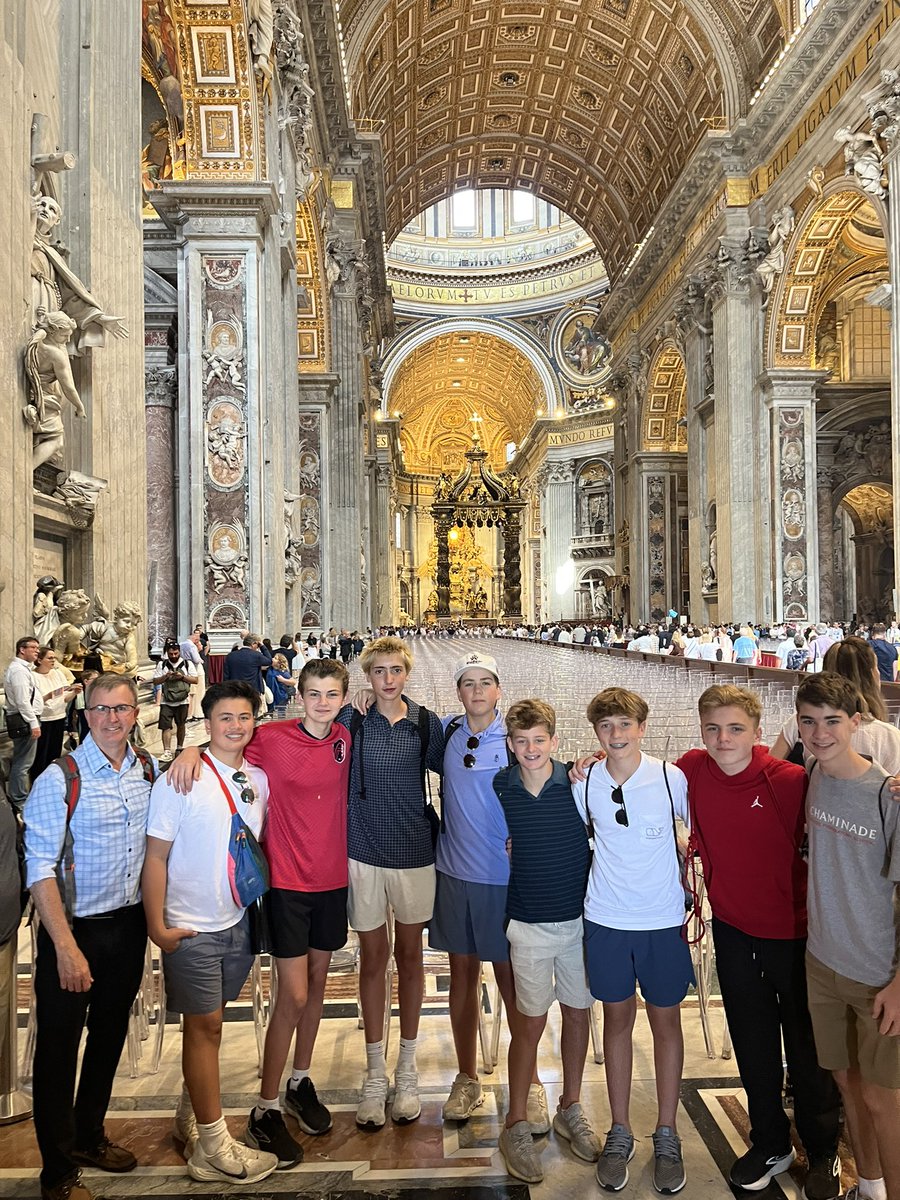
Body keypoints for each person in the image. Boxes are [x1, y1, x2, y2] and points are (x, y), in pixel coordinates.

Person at [168, 659, 353, 1160]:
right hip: (288, 884)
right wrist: (189, 748)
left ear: (343, 699)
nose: (321, 703)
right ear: (300, 693)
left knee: (316, 986)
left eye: (331, 694)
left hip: (332, 880)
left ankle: (300, 1080)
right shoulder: (271, 737)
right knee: (291, 994)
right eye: (313, 693)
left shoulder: (345, 739)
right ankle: (264, 1108)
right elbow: (225, 744)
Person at [676, 685, 842, 1197]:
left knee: (807, 1047)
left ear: (757, 729)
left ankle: (824, 1150)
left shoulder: (790, 780)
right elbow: (638, 775)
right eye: (712, 729)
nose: (723, 739)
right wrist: (585, 762)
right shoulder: (690, 769)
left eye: (735, 729)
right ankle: (770, 1140)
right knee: (753, 1043)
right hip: (731, 929)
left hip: (794, 934)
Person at [141, 681, 279, 1185]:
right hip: (189, 924)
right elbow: (155, 857)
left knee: (211, 1028)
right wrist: (157, 924)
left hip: (238, 921)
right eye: (225, 718)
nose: (236, 727)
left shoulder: (257, 779)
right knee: (206, 1029)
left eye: (244, 718)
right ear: (208, 721)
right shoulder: (180, 778)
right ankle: (214, 1148)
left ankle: (191, 1111)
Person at [24, 674, 154, 1200]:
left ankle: (89, 1135)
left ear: (134, 713)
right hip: (73, 929)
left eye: (121, 709)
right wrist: (65, 946)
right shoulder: (60, 779)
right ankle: (56, 1172)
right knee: (58, 1049)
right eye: (101, 709)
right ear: (84, 715)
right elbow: (40, 869)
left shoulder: (146, 768)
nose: (112, 719)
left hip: (129, 924)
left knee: (108, 1035)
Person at [571, 688, 692, 1195]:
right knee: (616, 1020)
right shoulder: (585, 781)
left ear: (642, 727)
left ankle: (667, 1130)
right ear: (595, 732)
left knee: (666, 1023)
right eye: (606, 727)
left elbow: (694, 831)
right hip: (606, 917)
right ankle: (619, 1128)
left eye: (624, 725)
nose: (615, 735)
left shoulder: (670, 778)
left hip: (661, 918)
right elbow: (582, 835)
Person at [429, 653, 550, 1133]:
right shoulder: (443, 732)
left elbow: (546, 784)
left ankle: (533, 1081)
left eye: (485, 683)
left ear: (499, 690)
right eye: (468, 683)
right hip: (455, 873)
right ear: (458, 691)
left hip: (503, 877)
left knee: (511, 982)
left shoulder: (517, 738)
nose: (477, 691)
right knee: (462, 979)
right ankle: (465, 1077)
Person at [796, 673, 900, 1200]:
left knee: (885, 1100)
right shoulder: (812, 770)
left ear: (857, 723)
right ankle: (872, 1187)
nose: (820, 733)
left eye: (833, 721)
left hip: (879, 972)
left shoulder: (887, 794)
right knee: (845, 1083)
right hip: (823, 962)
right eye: (810, 722)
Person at [493, 699, 598, 1185]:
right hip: (529, 921)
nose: (530, 749)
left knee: (578, 1014)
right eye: (521, 741)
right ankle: (516, 1119)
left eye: (539, 740)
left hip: (578, 920)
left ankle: (570, 1105)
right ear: (510, 745)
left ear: (554, 741)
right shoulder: (503, 784)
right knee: (529, 1022)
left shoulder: (579, 783)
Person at [341, 636, 444, 1129]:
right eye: (378, 671)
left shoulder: (425, 724)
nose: (387, 678)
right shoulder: (352, 720)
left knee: (410, 958)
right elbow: (305, 746)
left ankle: (407, 1066)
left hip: (413, 852)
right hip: (361, 851)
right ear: (368, 676)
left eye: (395, 670)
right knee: (372, 959)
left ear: (407, 673)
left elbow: (466, 769)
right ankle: (374, 1070)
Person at [770, 637, 900, 774]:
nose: (821, 735)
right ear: (872, 675)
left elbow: (767, 772)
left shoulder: (800, 724)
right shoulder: (888, 737)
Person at [4, 635, 44, 813]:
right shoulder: (18, 670)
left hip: (26, 719)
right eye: (33, 648)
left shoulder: (22, 669)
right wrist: (34, 723)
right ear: (22, 649)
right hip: (24, 720)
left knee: (23, 762)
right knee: (23, 764)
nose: (37, 651)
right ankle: (19, 800)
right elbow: (22, 701)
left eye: (38, 647)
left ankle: (19, 796)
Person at [30, 646, 81, 782]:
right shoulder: (33, 676)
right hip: (43, 719)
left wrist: (74, 693)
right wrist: (52, 694)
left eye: (54, 658)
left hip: (59, 716)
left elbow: (64, 697)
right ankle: (37, 781)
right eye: (50, 658)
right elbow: (36, 700)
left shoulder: (58, 673)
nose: (53, 660)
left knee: (54, 753)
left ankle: (52, 780)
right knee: (41, 754)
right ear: (40, 660)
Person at [152, 640, 198, 763]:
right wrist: (165, 677)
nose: (173, 656)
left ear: (179, 652)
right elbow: (156, 681)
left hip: (182, 700)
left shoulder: (187, 664)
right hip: (166, 700)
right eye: (171, 654)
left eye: (176, 653)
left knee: (181, 724)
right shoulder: (162, 665)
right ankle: (167, 751)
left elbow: (195, 679)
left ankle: (179, 747)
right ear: (167, 653)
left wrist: (182, 677)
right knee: (165, 727)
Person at [180, 629, 206, 720]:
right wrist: (201, 658)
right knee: (198, 692)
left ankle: (192, 712)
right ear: (194, 638)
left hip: (185, 669)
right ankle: (198, 712)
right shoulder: (192, 646)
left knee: (191, 692)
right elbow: (196, 659)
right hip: (195, 669)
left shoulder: (181, 644)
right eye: (197, 638)